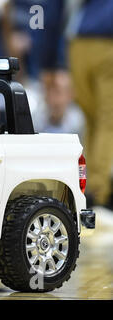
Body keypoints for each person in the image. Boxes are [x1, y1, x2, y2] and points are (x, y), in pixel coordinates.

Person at [67, 0, 113, 208]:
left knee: (91, 121)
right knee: (107, 122)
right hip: (107, 42)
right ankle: (98, 192)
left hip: (79, 42)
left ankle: (82, 187)